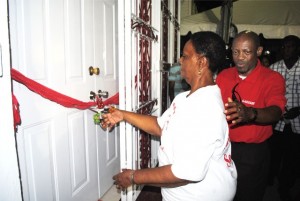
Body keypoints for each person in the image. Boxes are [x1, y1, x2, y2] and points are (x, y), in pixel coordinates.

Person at [100, 31, 237, 201]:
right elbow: (160, 126)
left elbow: (184, 172)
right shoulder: (185, 97)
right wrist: (122, 115)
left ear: (201, 63)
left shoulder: (206, 110)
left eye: (185, 56)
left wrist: (133, 177)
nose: (180, 60)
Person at [216, 30, 286, 201]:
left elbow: (276, 111)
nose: (239, 57)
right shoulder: (224, 76)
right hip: (222, 148)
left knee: (247, 195)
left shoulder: (272, 78)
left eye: (246, 52)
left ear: (259, 52)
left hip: (252, 153)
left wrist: (251, 113)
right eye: (235, 51)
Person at [269, 35, 300, 201]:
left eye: (291, 47)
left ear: (297, 48)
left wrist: (299, 109)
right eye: (284, 47)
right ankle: (270, 178)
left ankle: (285, 186)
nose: (286, 50)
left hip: (297, 120)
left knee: (292, 156)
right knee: (274, 152)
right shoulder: (274, 68)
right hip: (277, 120)